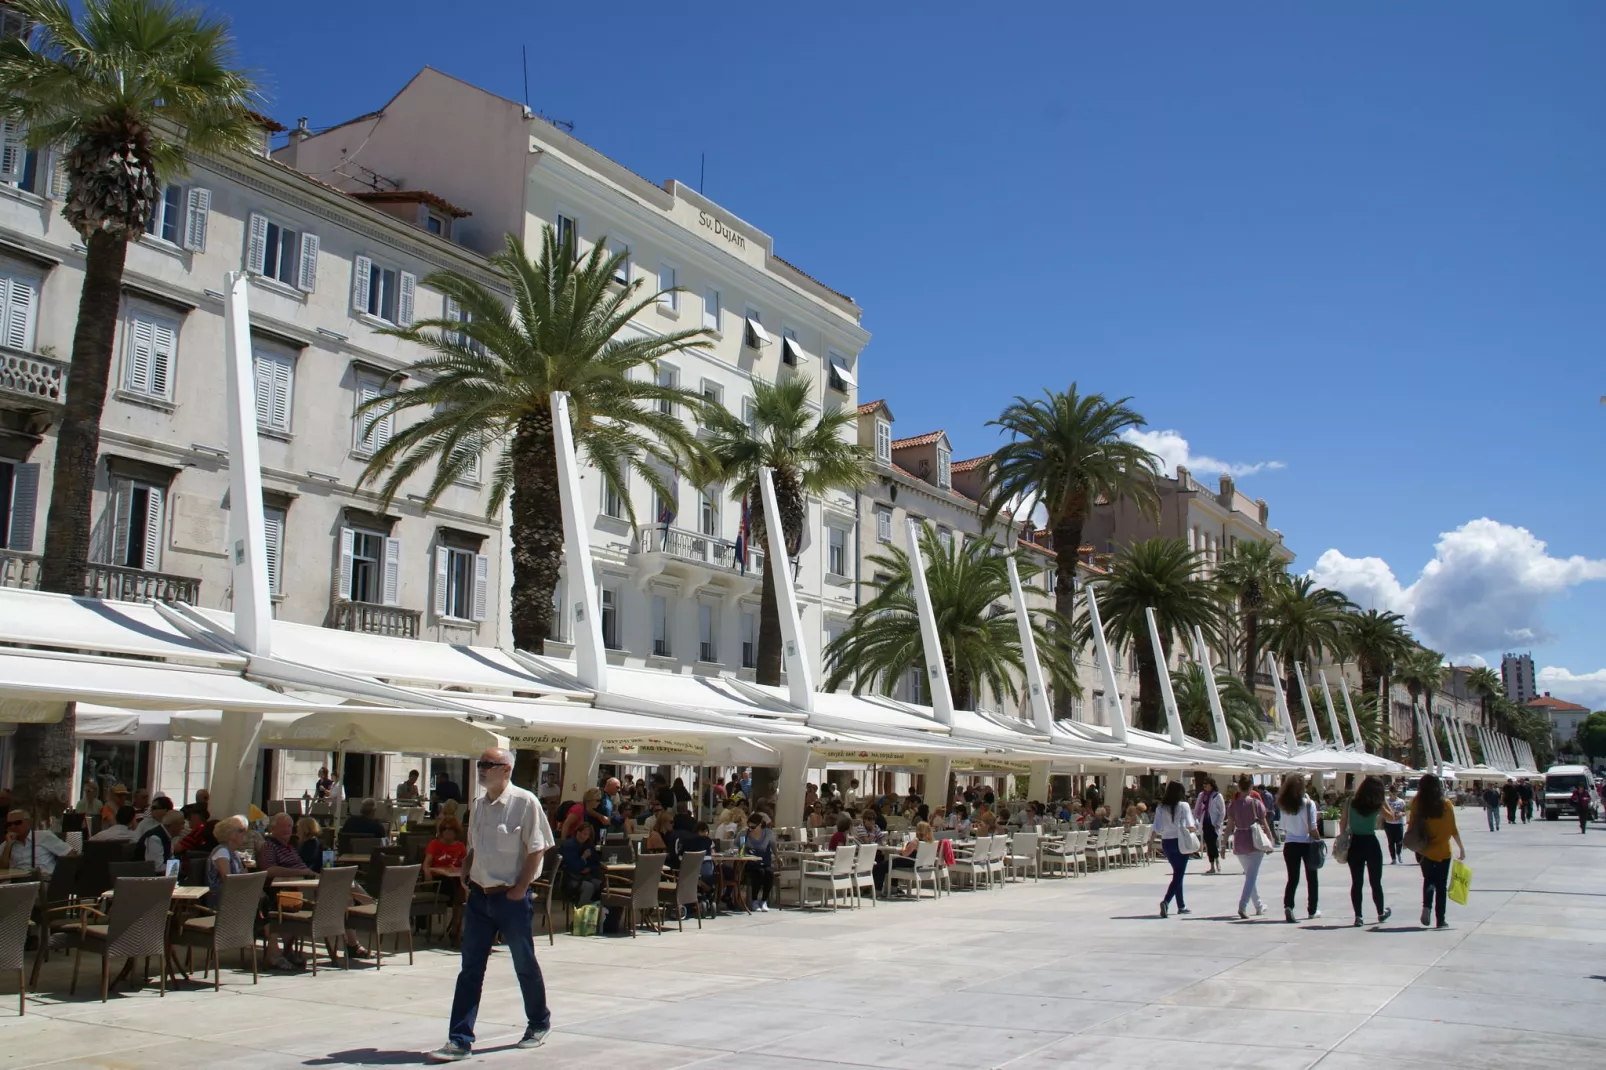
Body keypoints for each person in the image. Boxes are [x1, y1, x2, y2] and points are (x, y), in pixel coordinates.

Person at [428, 747, 554, 1062]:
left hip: (510, 897)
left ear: (506, 770)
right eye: (480, 764)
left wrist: (520, 889)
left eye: (488, 765)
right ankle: (459, 1040)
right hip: (480, 897)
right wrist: (467, 869)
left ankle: (538, 1023)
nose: (481, 769)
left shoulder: (525, 803)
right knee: (470, 969)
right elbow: (473, 845)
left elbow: (537, 849)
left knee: (524, 963)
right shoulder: (478, 806)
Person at [209, 815, 299, 971]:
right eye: (241, 831)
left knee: (272, 907)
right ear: (230, 833)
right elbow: (228, 879)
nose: (244, 834)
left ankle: (279, 951)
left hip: (237, 901)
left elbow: (244, 878)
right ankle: (276, 952)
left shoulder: (235, 854)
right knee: (266, 907)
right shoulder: (222, 852)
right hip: (222, 903)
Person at [1407, 773, 1464, 929]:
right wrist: (1461, 848)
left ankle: (1427, 906)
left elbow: (1411, 824)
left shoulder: (1417, 803)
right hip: (1444, 851)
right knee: (1441, 885)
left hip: (1424, 849)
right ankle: (1441, 920)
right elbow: (1453, 828)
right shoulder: (1446, 804)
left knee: (1428, 880)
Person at [1342, 776, 1392, 927]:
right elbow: (1391, 817)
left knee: (1356, 882)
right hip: (1371, 843)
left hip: (1355, 843)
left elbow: (1343, 820)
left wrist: (1343, 835)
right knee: (1375, 881)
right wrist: (1384, 801)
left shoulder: (1351, 801)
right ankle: (1380, 912)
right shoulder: (1376, 804)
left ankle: (1358, 916)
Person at [1224, 774, 1273, 918]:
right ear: (1251, 787)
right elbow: (1265, 824)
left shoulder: (1232, 806)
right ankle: (1242, 905)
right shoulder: (1256, 804)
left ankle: (1259, 906)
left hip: (1239, 841)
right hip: (1254, 841)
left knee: (1249, 875)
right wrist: (1269, 841)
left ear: (1239, 788)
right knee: (1251, 876)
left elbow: (1229, 827)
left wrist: (1223, 844)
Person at [1278, 774, 1322, 923]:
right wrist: (1319, 839)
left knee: (1293, 878)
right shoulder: (1309, 804)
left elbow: (1283, 827)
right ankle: (1312, 910)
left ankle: (1288, 905)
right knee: (1312, 878)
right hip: (1307, 843)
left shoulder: (1285, 806)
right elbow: (1313, 828)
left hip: (1290, 844)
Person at [1154, 781, 1196, 918]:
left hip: (1167, 842)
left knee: (1177, 873)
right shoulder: (1184, 806)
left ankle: (1181, 905)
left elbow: (1157, 827)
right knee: (1179, 874)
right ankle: (1166, 901)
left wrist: (1149, 843)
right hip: (1180, 841)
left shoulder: (1161, 807)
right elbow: (1191, 825)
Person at [0, 809, 75, 876]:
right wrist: (8, 845)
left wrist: (60, 876)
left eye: (17, 823)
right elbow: (2, 869)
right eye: (9, 824)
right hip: (17, 882)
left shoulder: (43, 836)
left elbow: (71, 854)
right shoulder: (7, 843)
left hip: (44, 880)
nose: (13, 826)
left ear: (28, 823)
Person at [557, 821, 604, 906]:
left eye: (585, 834)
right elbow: (573, 867)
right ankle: (580, 913)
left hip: (586, 877)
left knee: (602, 886)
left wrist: (590, 868)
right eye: (580, 832)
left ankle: (597, 912)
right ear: (576, 832)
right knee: (589, 887)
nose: (582, 835)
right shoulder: (569, 845)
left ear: (589, 836)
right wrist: (583, 858)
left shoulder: (589, 846)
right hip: (571, 878)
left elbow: (596, 863)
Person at [742, 813, 775, 912]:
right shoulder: (745, 833)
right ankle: (754, 901)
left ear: (760, 825)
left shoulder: (768, 833)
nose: (750, 829)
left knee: (769, 873)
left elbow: (773, 845)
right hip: (751, 862)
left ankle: (764, 900)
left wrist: (777, 857)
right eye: (749, 826)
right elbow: (737, 845)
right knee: (759, 872)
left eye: (753, 827)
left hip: (765, 861)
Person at [1195, 779, 1226, 875]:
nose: (1205, 786)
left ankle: (1216, 859)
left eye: (1206, 784)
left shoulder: (1217, 796)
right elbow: (1197, 808)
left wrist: (1218, 822)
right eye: (1204, 784)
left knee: (1212, 843)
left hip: (1214, 822)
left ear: (1211, 785)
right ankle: (1212, 865)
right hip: (1205, 821)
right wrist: (1196, 819)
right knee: (1208, 844)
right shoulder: (1201, 795)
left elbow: (1222, 811)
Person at [1382, 786, 1407, 864]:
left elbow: (1404, 812)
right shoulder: (1387, 801)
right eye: (1392, 793)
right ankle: (1393, 858)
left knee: (1399, 841)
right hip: (1389, 824)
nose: (1394, 794)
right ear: (1389, 793)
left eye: (1395, 793)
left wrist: (1400, 814)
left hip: (1398, 824)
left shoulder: (1401, 801)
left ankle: (1399, 854)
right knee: (1391, 842)